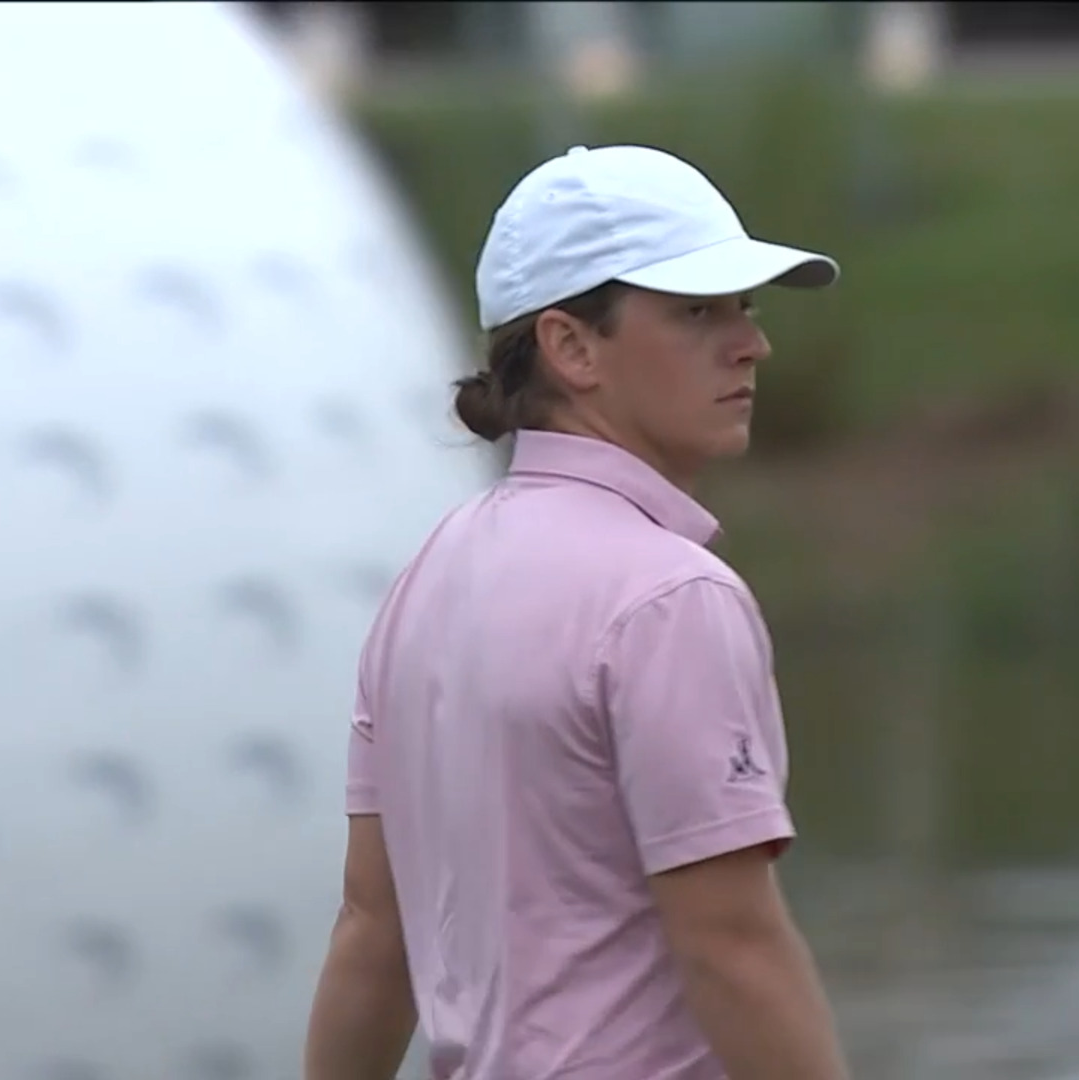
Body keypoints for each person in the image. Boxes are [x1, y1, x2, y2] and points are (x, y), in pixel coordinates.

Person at [302, 144, 852, 1080]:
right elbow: (732, 948)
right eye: (697, 311)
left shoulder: (430, 577)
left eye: (745, 307)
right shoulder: (671, 597)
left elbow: (371, 931)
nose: (751, 343)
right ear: (571, 347)